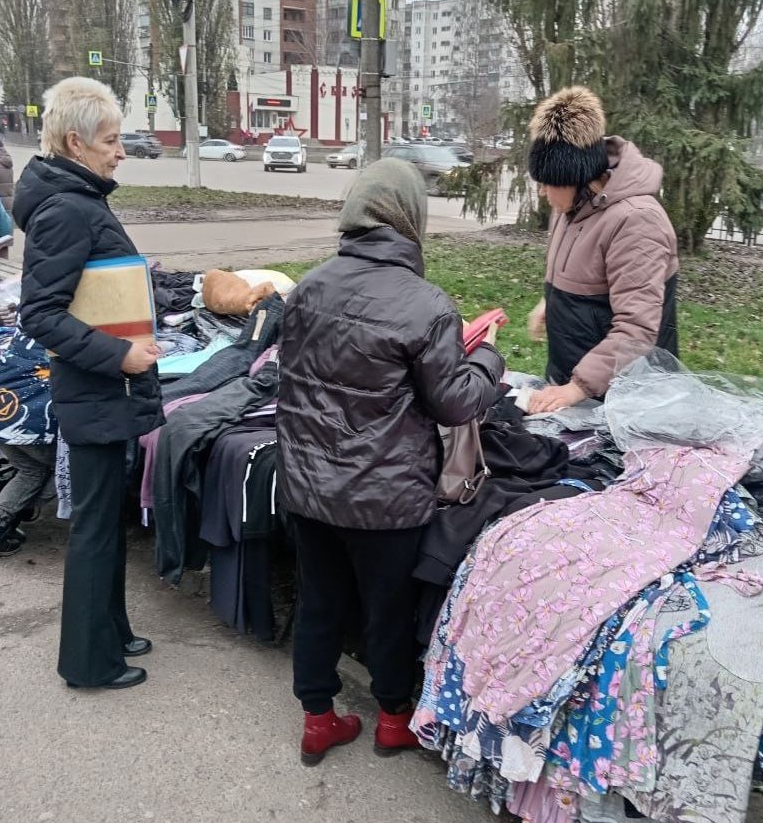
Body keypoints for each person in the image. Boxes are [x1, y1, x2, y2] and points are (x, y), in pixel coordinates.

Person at [277, 158, 505, 765]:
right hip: (385, 498)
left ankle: (318, 719)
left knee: (319, 603)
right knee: (388, 611)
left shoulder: (308, 286)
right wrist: (489, 361)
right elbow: (455, 403)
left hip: (307, 489)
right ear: (412, 219)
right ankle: (394, 720)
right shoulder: (426, 305)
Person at [13, 76, 163, 691]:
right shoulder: (68, 208)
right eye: (112, 139)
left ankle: (113, 629)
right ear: (76, 142)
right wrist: (119, 355)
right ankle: (88, 662)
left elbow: (87, 287)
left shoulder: (80, 197)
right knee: (97, 527)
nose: (121, 150)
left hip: (101, 390)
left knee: (106, 519)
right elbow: (40, 313)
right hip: (97, 389)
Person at [525, 86, 678, 414]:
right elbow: (581, 274)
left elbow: (636, 328)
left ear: (576, 178)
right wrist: (550, 302)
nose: (542, 192)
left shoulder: (637, 221)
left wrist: (576, 388)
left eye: (548, 182)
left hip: (626, 401)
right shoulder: (569, 207)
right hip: (576, 383)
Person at [0, 329, 58, 557]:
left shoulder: (21, 337)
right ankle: (16, 510)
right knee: (68, 470)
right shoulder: (68, 338)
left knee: (32, 470)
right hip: (31, 424)